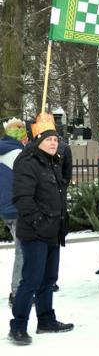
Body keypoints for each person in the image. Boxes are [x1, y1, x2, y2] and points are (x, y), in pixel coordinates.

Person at [8, 113, 74, 345]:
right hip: (35, 233)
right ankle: (18, 326)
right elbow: (22, 198)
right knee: (31, 280)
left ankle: (46, 320)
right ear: (38, 141)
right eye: (48, 140)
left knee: (48, 280)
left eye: (55, 139)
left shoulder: (52, 162)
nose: (54, 143)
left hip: (53, 230)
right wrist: (39, 222)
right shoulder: (28, 162)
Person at [1, 118, 28, 306]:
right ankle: (17, 292)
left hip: (5, 209)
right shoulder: (19, 154)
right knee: (23, 252)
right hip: (19, 209)